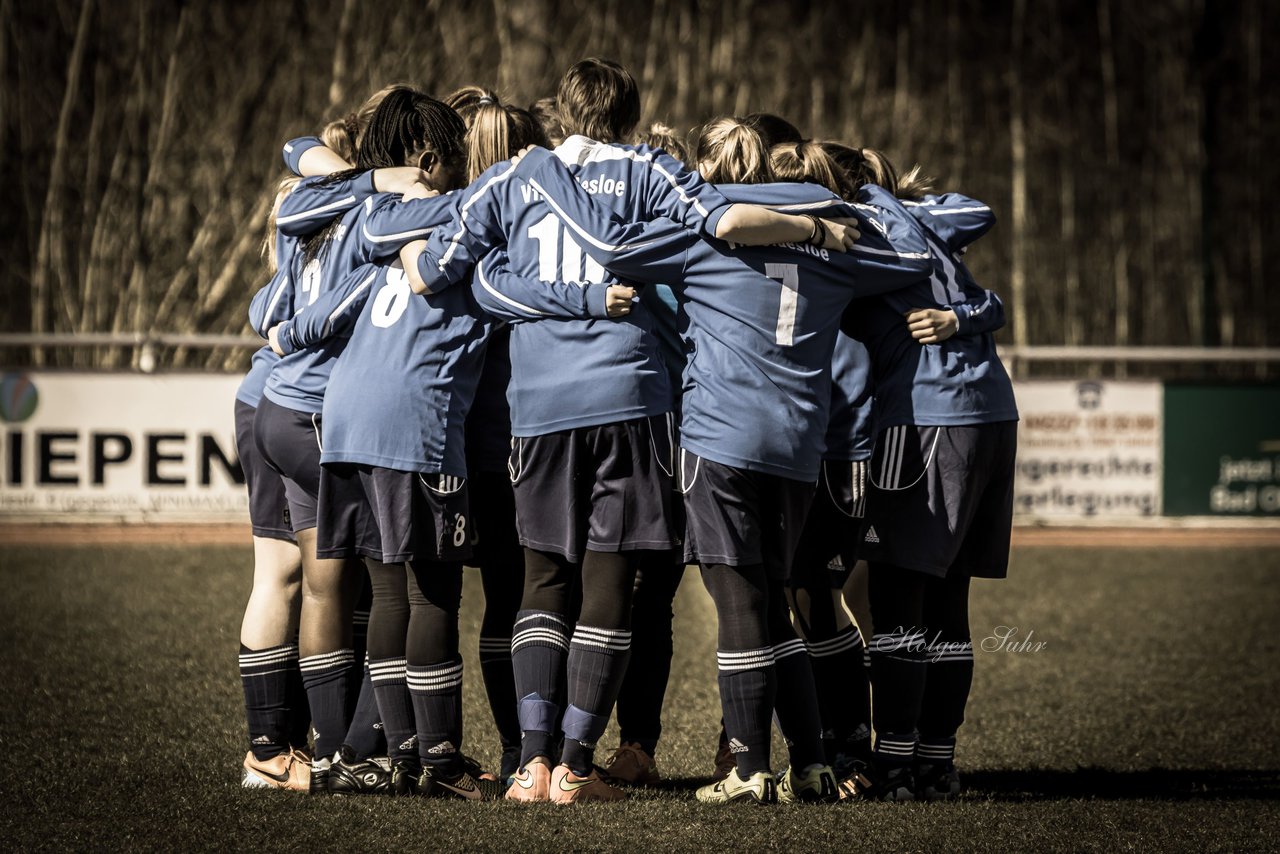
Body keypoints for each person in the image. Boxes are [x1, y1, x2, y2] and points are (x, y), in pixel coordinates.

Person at [399, 61, 859, 805]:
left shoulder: (516, 177)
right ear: (632, 111)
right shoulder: (651, 168)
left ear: (562, 112)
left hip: (538, 405)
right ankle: (579, 766)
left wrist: (390, 216)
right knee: (613, 579)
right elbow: (719, 223)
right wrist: (815, 226)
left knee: (543, 579)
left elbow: (441, 274)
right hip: (631, 395)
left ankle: (532, 765)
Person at [475, 116, 932, 804]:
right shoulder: (834, 233)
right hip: (801, 446)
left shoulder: (704, 235)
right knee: (775, 605)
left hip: (719, 439)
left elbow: (611, 246)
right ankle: (809, 760)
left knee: (739, 603)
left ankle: (746, 768)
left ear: (708, 174)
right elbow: (914, 257)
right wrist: (852, 201)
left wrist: (551, 176)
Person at [254, 87, 457, 792]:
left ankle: (297, 748)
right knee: (373, 590)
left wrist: (276, 329)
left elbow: (269, 295)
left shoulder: (323, 204)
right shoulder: (379, 212)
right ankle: (355, 749)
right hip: (320, 409)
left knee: (311, 586)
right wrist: (295, 332)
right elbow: (348, 306)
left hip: (275, 400)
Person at [838, 148, 1015, 802]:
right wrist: (976, 311)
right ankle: (937, 764)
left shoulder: (864, 229)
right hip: (991, 415)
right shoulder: (926, 228)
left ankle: (897, 767)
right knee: (947, 602)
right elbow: (977, 219)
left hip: (927, 421)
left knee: (898, 599)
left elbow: (981, 212)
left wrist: (873, 197)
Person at [235, 92, 400, 791]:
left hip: (260, 396)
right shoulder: (359, 211)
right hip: (305, 401)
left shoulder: (303, 206)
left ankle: (277, 750)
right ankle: (316, 749)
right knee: (335, 576)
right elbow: (287, 313)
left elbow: (261, 306)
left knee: (286, 576)